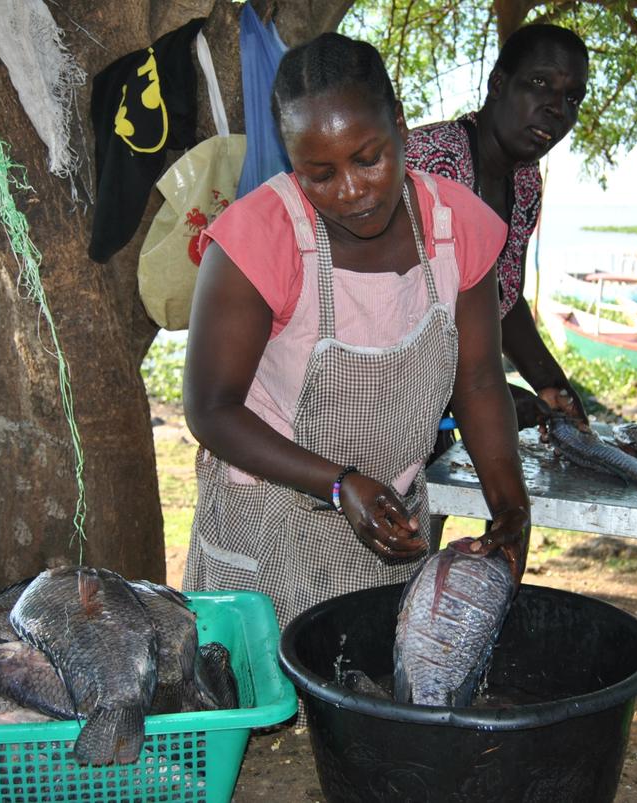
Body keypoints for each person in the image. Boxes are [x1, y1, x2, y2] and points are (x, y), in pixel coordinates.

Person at [181, 33, 531, 632]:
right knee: (261, 696)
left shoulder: (456, 229)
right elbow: (211, 410)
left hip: (390, 526)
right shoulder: (258, 240)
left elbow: (475, 380)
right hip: (266, 530)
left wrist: (510, 505)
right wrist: (340, 486)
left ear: (398, 124)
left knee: (365, 696)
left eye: (369, 158)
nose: (351, 190)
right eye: (319, 174)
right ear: (292, 161)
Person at [405, 24, 591, 434]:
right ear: (498, 83)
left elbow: (501, 302)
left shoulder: (524, 183)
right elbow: (387, 314)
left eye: (573, 98)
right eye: (541, 83)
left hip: (428, 421)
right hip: (360, 407)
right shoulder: (429, 166)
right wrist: (488, 393)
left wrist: (550, 381)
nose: (558, 108)